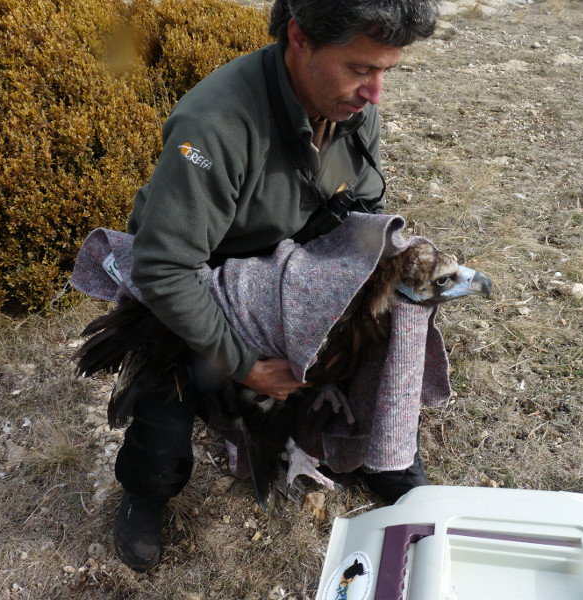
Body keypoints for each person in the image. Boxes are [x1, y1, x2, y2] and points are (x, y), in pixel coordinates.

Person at [113, 0, 440, 571]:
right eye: (361, 69)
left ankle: (383, 454)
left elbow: (359, 207)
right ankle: (147, 490)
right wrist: (243, 361)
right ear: (300, 37)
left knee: (396, 301)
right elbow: (163, 269)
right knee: (166, 398)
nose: (375, 93)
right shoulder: (215, 126)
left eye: (386, 70)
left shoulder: (353, 111)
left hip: (287, 267)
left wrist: (358, 288)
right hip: (198, 281)